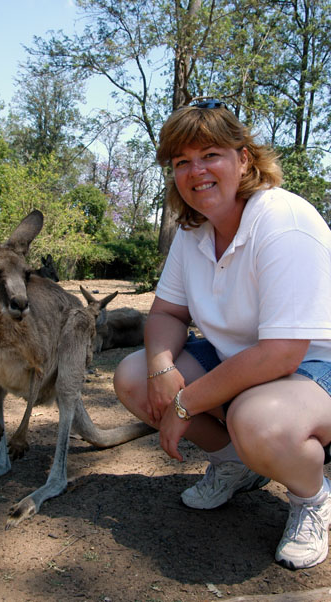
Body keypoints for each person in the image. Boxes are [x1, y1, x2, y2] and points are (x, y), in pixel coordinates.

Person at [113, 100, 331, 570]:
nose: (197, 171)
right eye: (181, 162)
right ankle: (237, 466)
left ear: (243, 159)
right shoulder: (194, 233)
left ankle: (311, 496)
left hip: (316, 369)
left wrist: (184, 403)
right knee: (133, 376)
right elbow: (167, 313)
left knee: (260, 421)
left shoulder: (282, 221)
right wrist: (161, 370)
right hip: (241, 359)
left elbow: (282, 354)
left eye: (210, 154)